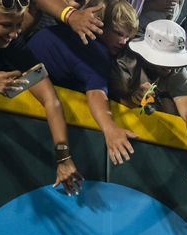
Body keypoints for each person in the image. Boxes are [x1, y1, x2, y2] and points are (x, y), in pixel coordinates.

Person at [0, 0, 84, 195]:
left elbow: (50, 99)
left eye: (18, 25)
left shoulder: (13, 44)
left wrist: (64, 157)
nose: (15, 33)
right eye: (6, 25)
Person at [28, 0, 140, 166]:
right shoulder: (98, 52)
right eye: (118, 33)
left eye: (127, 37)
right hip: (23, 86)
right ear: (102, 25)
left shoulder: (73, 28)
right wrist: (110, 129)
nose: (123, 42)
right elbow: (96, 93)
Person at [108, 20, 187, 180]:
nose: (170, 68)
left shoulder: (177, 71)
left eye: (174, 62)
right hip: (116, 127)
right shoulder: (124, 58)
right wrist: (132, 96)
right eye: (165, 61)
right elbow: (112, 92)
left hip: (149, 130)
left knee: (169, 107)